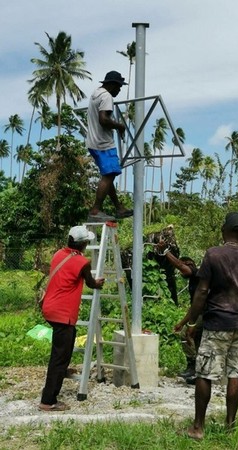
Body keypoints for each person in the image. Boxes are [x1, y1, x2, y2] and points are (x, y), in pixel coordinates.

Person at [186, 212, 238, 440]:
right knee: (235, 374)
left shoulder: (213, 254)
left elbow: (201, 292)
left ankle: (198, 427)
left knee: (205, 373)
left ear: (224, 229)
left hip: (216, 323)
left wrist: (191, 321)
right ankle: (230, 425)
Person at [39, 225, 105, 411]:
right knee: (59, 357)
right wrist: (97, 283)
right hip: (62, 314)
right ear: (83, 244)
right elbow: (91, 283)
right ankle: (48, 400)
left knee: (66, 343)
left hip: (50, 309)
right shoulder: (82, 262)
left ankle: (61, 371)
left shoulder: (59, 254)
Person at [86, 70, 133, 222]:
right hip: (103, 143)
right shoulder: (106, 96)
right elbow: (103, 119)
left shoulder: (96, 94)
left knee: (108, 175)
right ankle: (95, 210)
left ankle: (119, 207)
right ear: (112, 85)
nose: (119, 90)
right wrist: (120, 126)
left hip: (93, 142)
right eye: (119, 87)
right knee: (109, 175)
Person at [156, 241, 203, 384]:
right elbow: (194, 307)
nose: (181, 272)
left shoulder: (198, 273)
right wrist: (182, 323)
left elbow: (184, 268)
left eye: (181, 268)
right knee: (195, 339)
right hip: (202, 312)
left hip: (209, 313)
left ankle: (193, 366)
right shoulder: (194, 282)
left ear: (190, 264)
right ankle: (198, 371)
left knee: (186, 335)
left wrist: (165, 252)